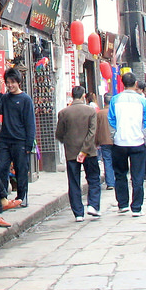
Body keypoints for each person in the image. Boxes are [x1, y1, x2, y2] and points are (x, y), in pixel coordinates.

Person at [0, 68, 36, 208]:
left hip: (20, 141)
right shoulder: (5, 97)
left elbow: (30, 123)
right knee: (2, 168)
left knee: (21, 169)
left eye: (13, 82)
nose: (10, 85)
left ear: (19, 82)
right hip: (5, 139)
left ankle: (22, 197)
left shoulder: (25, 99)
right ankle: (2, 197)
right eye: (8, 82)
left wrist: (29, 144)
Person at [108, 71, 146, 216]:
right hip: (137, 142)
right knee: (137, 176)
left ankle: (123, 204)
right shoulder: (143, 100)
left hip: (120, 142)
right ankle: (137, 207)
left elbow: (111, 120)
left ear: (122, 83)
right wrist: (144, 138)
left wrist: (114, 137)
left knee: (120, 174)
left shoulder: (115, 100)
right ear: (136, 84)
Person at [55, 85, 101, 221]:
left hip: (71, 152)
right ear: (83, 96)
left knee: (74, 182)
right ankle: (93, 205)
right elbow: (92, 132)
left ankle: (78, 213)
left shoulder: (64, 113)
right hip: (89, 152)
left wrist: (68, 142)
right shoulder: (90, 111)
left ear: (72, 96)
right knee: (93, 178)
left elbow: (59, 134)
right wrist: (85, 150)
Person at [95, 95, 116, 190]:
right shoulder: (115, 112)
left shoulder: (100, 113)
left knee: (107, 161)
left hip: (104, 141)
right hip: (116, 140)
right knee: (116, 160)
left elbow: (96, 128)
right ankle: (117, 179)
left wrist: (96, 141)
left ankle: (110, 182)